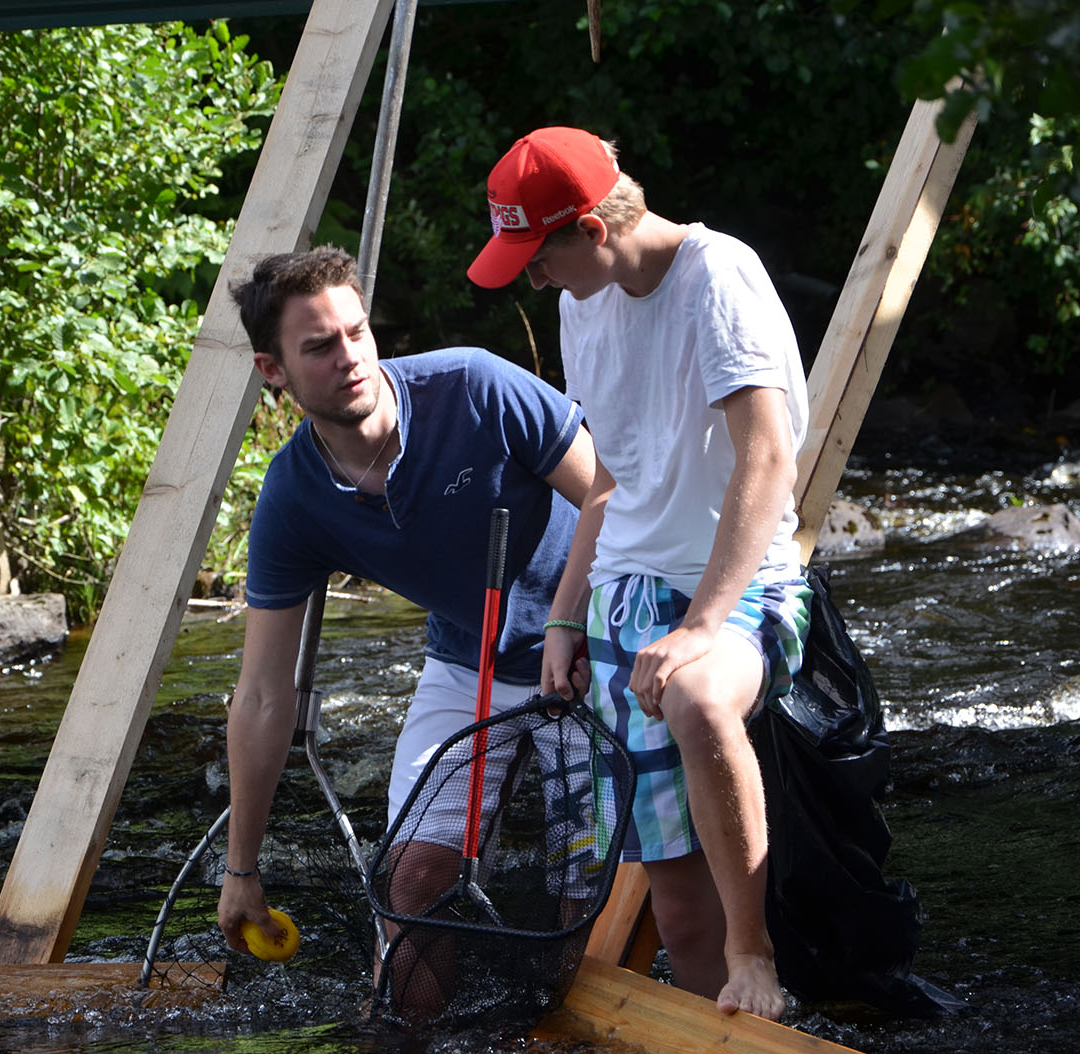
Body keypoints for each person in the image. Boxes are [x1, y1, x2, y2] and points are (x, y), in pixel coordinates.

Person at [468, 126, 811, 1022]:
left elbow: (769, 459)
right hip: (624, 599)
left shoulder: (717, 278)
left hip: (738, 588)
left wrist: (701, 623)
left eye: (536, 257)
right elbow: (612, 482)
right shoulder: (581, 300)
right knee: (679, 913)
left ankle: (757, 957)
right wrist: (566, 616)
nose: (530, 279)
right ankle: (723, 1015)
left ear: (591, 226)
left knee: (698, 700)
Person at [215, 245, 595, 1017]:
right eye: (319, 347)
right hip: (466, 661)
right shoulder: (293, 499)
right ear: (273, 371)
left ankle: (572, 1015)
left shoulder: (474, 386)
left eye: (357, 332)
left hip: (590, 641)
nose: (350, 358)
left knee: (583, 888)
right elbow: (260, 695)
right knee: (411, 881)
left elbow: (611, 495)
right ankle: (410, 1033)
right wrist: (241, 868)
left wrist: (570, 619)